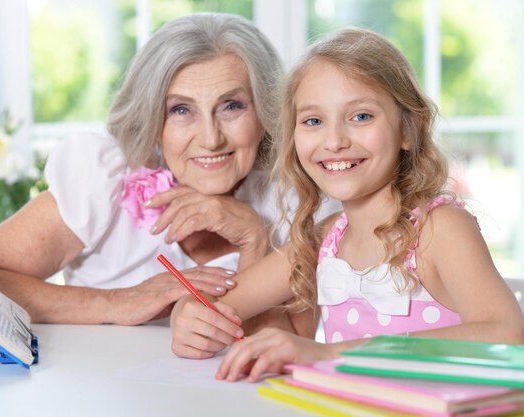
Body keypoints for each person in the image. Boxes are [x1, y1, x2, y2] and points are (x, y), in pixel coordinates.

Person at [0, 13, 338, 326]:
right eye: (181, 110)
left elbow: (284, 351)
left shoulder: (297, 203)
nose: (211, 138)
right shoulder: (105, 182)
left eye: (232, 106)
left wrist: (255, 237)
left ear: (266, 112)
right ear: (152, 121)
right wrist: (116, 302)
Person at [170, 27, 524, 381]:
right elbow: (219, 305)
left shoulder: (440, 228)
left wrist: (326, 354)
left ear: (408, 129)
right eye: (313, 121)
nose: (335, 140)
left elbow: (509, 336)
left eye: (361, 116)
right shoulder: (326, 238)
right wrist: (188, 316)